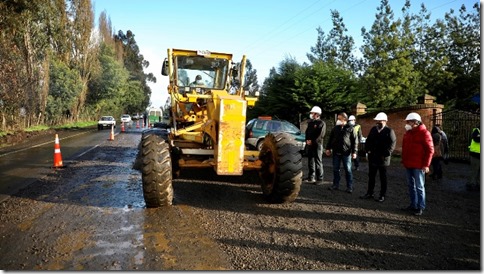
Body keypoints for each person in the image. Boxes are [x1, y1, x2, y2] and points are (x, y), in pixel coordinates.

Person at [401, 112, 434, 216]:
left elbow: (430, 150)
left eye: (409, 122)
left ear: (415, 122)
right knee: (411, 186)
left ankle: (420, 206)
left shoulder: (424, 133)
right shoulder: (408, 133)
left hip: (419, 165)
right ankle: (413, 205)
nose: (407, 123)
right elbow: (405, 149)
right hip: (409, 164)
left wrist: (426, 165)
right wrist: (404, 160)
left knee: (419, 187)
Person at [359, 112, 396, 202]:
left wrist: (385, 154)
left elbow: (392, 144)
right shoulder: (373, 129)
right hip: (373, 157)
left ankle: (382, 195)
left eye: (380, 121)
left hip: (383, 159)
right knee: (371, 176)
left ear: (385, 121)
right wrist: (367, 150)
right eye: (377, 121)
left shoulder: (389, 131)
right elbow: (368, 141)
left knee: (383, 177)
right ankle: (370, 192)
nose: (378, 123)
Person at [325, 112, 358, 193]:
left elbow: (355, 141)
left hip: (346, 153)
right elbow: (331, 139)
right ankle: (335, 185)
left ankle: (349, 186)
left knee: (348, 169)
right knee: (336, 169)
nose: (338, 120)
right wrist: (328, 148)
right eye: (338, 119)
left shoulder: (350, 128)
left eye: (340, 119)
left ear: (345, 119)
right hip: (336, 152)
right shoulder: (335, 128)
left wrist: (354, 152)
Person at [303, 106, 326, 185]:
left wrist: (312, 141)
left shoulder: (321, 123)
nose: (311, 114)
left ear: (317, 114)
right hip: (310, 145)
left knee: (318, 161)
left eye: (313, 113)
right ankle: (311, 177)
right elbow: (307, 132)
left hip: (317, 145)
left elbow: (321, 135)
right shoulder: (310, 122)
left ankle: (320, 178)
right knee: (311, 161)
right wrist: (307, 140)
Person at [466, 125, 480, 191]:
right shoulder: (477, 130)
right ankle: (471, 184)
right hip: (475, 154)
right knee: (474, 170)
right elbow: (476, 139)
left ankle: (478, 184)